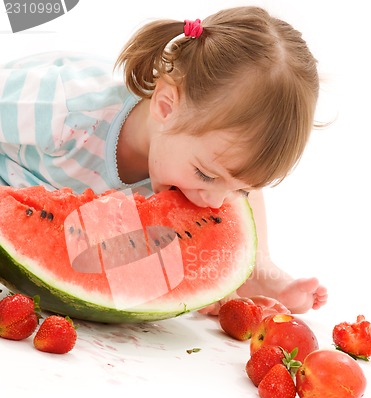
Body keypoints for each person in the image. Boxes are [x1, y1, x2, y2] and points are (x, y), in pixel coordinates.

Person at [0, 6, 327, 315]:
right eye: (205, 174)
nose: (214, 203)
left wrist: (232, 265)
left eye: (239, 189)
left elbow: (232, 185)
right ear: (166, 107)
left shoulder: (200, 164)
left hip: (76, 220)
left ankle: (256, 268)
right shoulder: (64, 108)